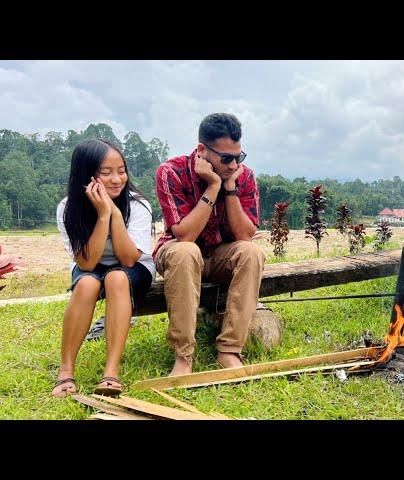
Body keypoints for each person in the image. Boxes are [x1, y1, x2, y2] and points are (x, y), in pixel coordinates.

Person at [154, 113, 265, 375]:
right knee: (186, 252)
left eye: (239, 156)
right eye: (226, 158)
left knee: (251, 253)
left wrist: (229, 187)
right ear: (202, 150)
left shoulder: (243, 177)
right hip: (177, 251)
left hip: (219, 255)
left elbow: (244, 235)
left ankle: (229, 350)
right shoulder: (171, 172)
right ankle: (183, 356)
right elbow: (184, 235)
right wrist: (212, 187)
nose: (233, 164)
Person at [52, 139, 155, 397]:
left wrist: (115, 215)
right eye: (106, 173)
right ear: (86, 175)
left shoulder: (138, 205)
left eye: (121, 170)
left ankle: (111, 371)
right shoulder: (68, 209)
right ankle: (65, 372)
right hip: (92, 263)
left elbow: (129, 258)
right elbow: (86, 263)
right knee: (87, 283)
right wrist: (102, 216)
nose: (117, 179)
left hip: (132, 266)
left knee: (117, 278)